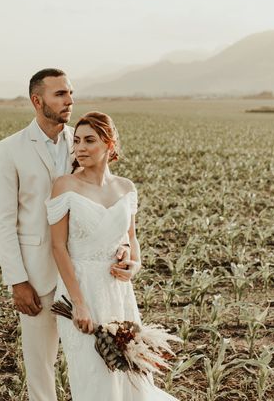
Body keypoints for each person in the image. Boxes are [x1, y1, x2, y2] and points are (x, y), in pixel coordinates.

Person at [0, 70, 132, 401]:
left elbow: (108, 202)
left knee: (98, 361)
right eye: (60, 94)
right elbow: (4, 221)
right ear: (37, 101)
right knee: (41, 365)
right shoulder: (10, 149)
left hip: (87, 275)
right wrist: (17, 280)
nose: (69, 101)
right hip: (37, 275)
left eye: (70, 93)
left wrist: (123, 247)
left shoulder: (84, 140)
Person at [46, 111, 177, 400]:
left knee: (129, 373)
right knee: (92, 377)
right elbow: (58, 247)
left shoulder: (126, 188)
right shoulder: (65, 186)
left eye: (89, 140)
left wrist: (134, 264)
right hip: (79, 290)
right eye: (77, 141)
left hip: (118, 291)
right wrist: (79, 304)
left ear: (109, 144)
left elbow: (130, 239)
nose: (80, 148)